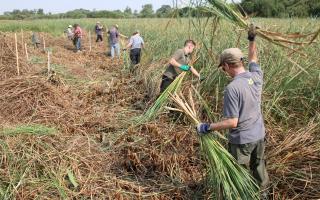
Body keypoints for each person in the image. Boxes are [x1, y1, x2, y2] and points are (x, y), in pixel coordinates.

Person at [196, 24, 269, 198]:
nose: (223, 71)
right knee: (259, 170)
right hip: (259, 135)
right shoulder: (256, 76)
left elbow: (232, 122)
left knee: (239, 175)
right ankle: (264, 196)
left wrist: (207, 127)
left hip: (242, 141)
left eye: (223, 68)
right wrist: (252, 39)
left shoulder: (232, 88)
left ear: (228, 65)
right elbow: (253, 58)